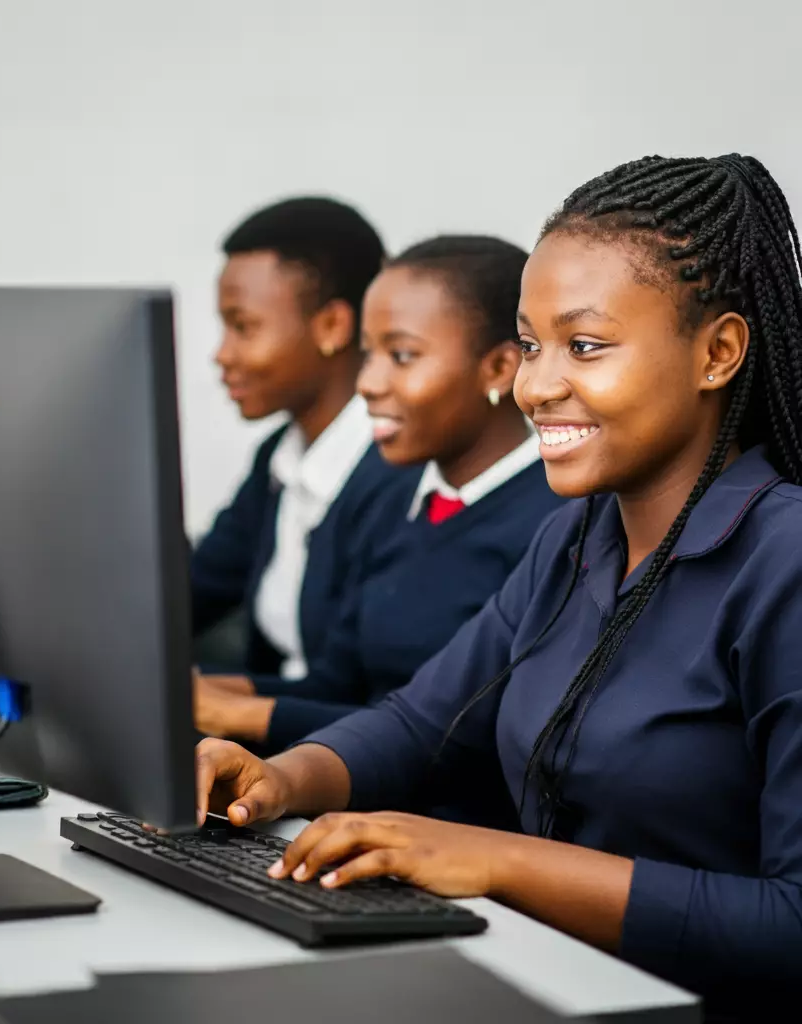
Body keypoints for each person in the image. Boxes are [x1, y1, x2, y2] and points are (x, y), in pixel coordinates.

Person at [189, 155, 802, 1018]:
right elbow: (419, 722)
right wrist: (279, 779)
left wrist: (496, 860)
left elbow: (791, 923)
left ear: (719, 353)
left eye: (584, 346)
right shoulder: (576, 540)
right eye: (531, 344)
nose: (536, 385)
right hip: (546, 986)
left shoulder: (784, 560)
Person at [195, 237, 565, 777]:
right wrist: (203, 691)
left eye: (402, 355)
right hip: (349, 788)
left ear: (499, 368)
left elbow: (454, 734)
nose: (367, 383)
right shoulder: (398, 499)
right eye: (369, 355)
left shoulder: (553, 523)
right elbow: (334, 683)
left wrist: (242, 713)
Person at [191, 196, 396, 681]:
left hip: (333, 747)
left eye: (243, 327)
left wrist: (226, 705)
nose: (222, 354)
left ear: (332, 326)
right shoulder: (279, 458)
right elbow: (194, 590)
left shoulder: (397, 474)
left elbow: (367, 692)